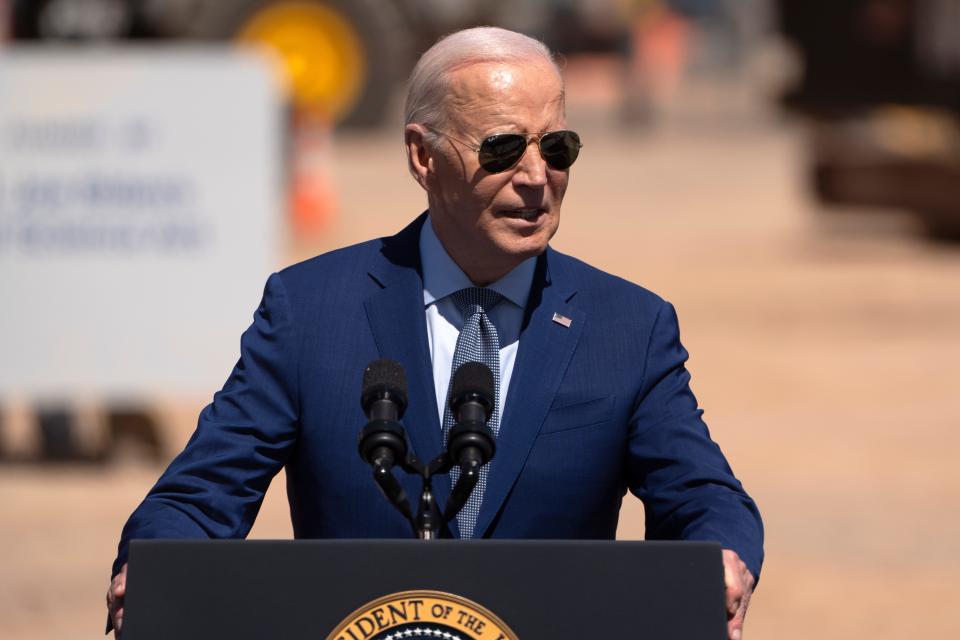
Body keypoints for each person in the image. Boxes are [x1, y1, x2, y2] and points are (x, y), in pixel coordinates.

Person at [107, 26, 762, 640]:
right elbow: (203, 493)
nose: (537, 177)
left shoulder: (628, 325)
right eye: (504, 148)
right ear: (423, 157)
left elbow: (702, 496)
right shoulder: (311, 310)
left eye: (556, 148)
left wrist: (724, 558)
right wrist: (153, 566)